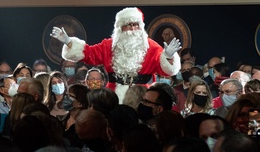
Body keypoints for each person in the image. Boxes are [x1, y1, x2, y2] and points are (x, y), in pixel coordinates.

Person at [52, 7, 180, 100]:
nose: (132, 29)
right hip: (113, 96)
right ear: (120, 28)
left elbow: (166, 71)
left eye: (135, 25)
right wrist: (69, 42)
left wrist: (168, 56)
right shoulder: (109, 45)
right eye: (128, 25)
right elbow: (89, 53)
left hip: (143, 96)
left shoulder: (152, 46)